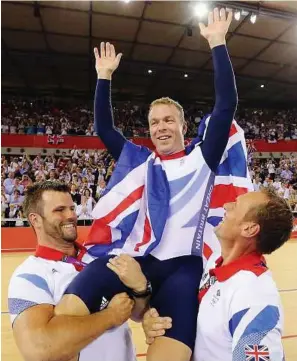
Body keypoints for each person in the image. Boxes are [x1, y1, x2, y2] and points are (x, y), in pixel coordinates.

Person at [55, 8, 247, 361]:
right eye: (154, 121)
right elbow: (106, 131)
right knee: (65, 321)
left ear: (182, 126)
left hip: (182, 270)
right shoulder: (141, 164)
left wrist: (218, 42)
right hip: (136, 259)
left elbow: (226, 106)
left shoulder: (201, 158)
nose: (160, 127)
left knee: (170, 354)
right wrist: (103, 77)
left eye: (169, 120)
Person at [142, 188, 293, 361]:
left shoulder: (254, 294)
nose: (226, 205)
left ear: (249, 229)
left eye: (235, 205)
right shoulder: (215, 260)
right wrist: (154, 321)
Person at [8, 181, 138, 361]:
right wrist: (110, 316)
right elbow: (38, 348)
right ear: (35, 219)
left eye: (71, 208)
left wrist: (145, 302)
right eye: (59, 210)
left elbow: (136, 310)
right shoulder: (29, 276)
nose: (71, 215)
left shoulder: (99, 257)